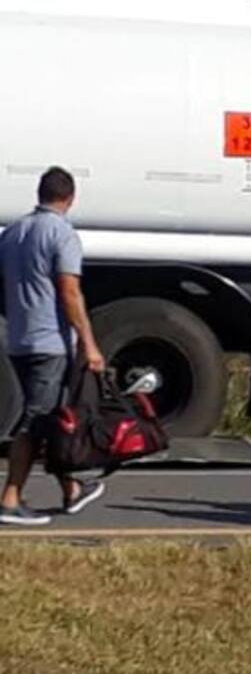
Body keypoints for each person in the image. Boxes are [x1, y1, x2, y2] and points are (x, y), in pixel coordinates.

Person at [0, 167, 106, 525]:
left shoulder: (13, 232)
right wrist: (89, 344)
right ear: (70, 198)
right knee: (37, 420)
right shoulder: (61, 234)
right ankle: (10, 499)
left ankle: (71, 489)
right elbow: (69, 291)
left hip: (19, 338)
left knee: (56, 419)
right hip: (50, 341)